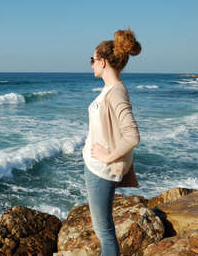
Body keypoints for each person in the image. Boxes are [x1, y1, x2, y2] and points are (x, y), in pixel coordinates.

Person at [82, 29, 141, 256]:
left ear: (103, 62)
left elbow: (132, 136)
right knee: (102, 229)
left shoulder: (116, 92)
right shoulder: (110, 90)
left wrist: (107, 156)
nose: (91, 64)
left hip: (102, 169)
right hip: (96, 167)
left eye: (92, 59)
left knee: (104, 231)